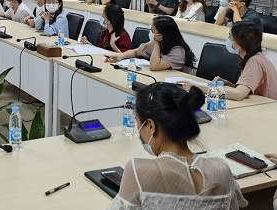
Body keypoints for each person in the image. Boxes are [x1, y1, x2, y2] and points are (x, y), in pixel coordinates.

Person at [106, 82, 247, 209]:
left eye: (139, 124)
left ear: (150, 126)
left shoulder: (138, 171)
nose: (139, 131)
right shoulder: (222, 170)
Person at [185, 21, 277, 101]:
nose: (228, 40)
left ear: (241, 41)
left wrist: (197, 87)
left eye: (230, 37)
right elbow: (245, 90)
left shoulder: (255, 61)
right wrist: (227, 83)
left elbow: (238, 94)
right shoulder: (257, 57)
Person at [107, 16, 196, 73]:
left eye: (153, 31)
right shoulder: (158, 42)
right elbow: (135, 52)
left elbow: (154, 66)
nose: (151, 33)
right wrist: (121, 56)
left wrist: (156, 43)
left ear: (162, 35)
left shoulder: (178, 51)